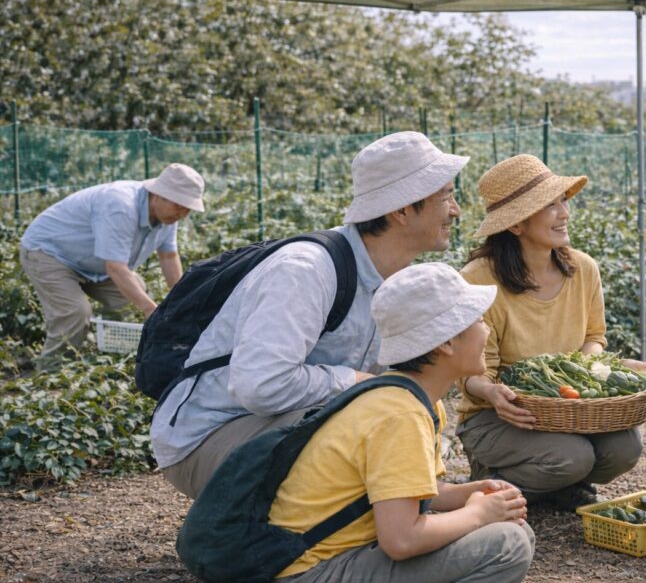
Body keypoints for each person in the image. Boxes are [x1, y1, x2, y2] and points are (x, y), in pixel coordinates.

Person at [150, 131, 468, 499]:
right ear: (401, 210)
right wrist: (354, 381)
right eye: (445, 195)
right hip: (210, 439)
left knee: (403, 402)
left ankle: (398, 513)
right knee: (374, 415)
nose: (456, 209)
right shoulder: (305, 271)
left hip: (267, 428)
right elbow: (260, 385)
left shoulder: (390, 274)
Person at [268, 262, 534, 583]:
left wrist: (471, 493)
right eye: (477, 320)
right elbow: (401, 540)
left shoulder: (411, 397)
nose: (487, 329)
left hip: (327, 557)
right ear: (445, 344)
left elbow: (412, 491)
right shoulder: (401, 415)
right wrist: (476, 513)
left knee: (511, 530)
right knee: (508, 544)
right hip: (311, 571)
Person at [455, 154, 646, 510]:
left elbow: (594, 337)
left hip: (567, 408)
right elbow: (471, 371)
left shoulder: (583, 269)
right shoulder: (478, 279)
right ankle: (492, 479)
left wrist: (596, 372)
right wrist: (492, 392)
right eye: (550, 205)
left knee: (625, 448)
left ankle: (560, 485)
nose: (564, 212)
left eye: (563, 200)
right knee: (572, 457)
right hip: (499, 414)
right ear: (516, 224)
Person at [19, 163, 205, 361]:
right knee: (75, 312)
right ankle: (51, 372)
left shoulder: (167, 218)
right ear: (159, 194)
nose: (182, 214)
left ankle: (107, 345)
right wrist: (151, 310)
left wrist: (183, 300)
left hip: (92, 262)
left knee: (132, 293)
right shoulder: (121, 206)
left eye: (188, 210)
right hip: (50, 253)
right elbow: (115, 268)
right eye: (178, 206)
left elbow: (168, 257)